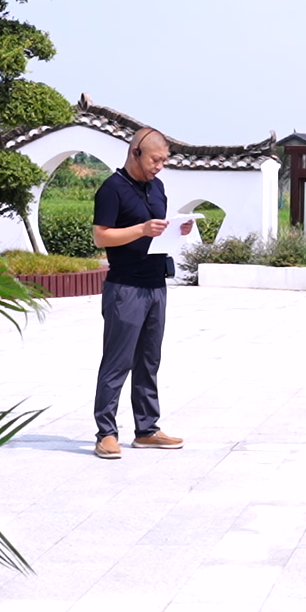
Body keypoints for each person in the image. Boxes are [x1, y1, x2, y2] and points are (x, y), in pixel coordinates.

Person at [90, 127, 194, 459]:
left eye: (164, 161)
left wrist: (178, 228)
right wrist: (141, 229)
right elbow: (101, 236)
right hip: (125, 287)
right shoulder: (112, 189)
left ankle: (147, 430)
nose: (159, 167)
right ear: (135, 152)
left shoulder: (157, 187)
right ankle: (106, 433)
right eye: (155, 160)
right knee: (117, 361)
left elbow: (157, 231)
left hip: (155, 285)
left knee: (149, 361)